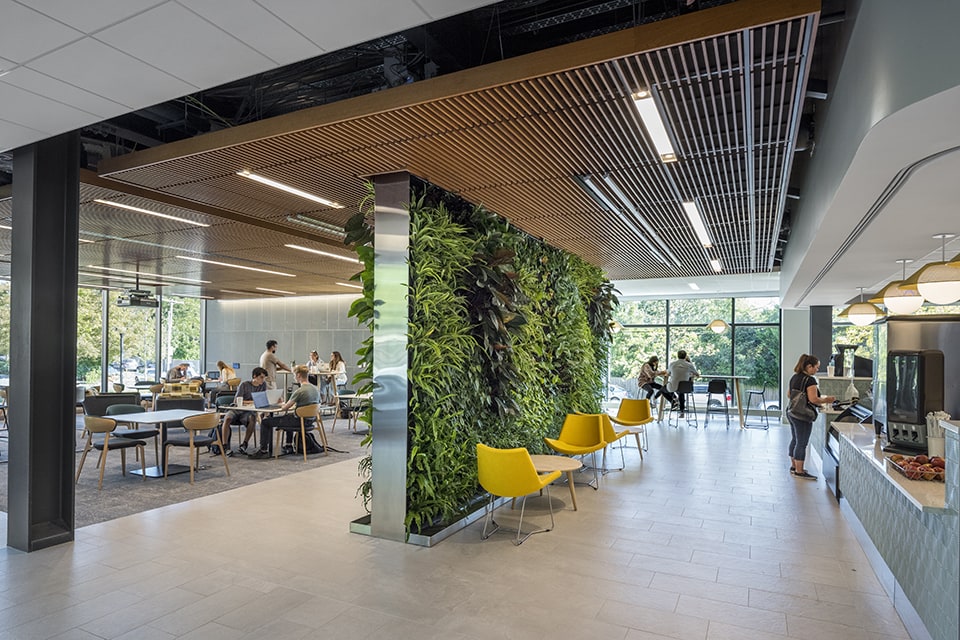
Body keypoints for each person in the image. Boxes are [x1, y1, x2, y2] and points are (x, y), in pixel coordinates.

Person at [250, 365, 320, 458]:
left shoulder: (299, 391)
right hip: (310, 420)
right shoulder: (315, 389)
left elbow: (285, 408)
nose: (294, 377)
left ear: (298, 375)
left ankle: (263, 450)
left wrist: (279, 404)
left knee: (265, 422)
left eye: (295, 375)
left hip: (299, 421)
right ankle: (288, 445)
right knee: (289, 417)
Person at [787, 354, 835, 480]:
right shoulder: (810, 380)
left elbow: (789, 395)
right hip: (802, 415)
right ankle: (799, 471)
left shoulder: (794, 377)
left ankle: (794, 466)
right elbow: (813, 399)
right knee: (802, 443)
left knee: (795, 440)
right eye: (816, 367)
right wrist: (827, 400)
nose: (817, 370)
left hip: (792, 412)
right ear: (809, 366)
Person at [224, 367, 269, 456]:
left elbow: (263, 398)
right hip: (237, 409)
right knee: (228, 418)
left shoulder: (263, 386)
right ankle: (225, 445)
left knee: (253, 418)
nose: (263, 380)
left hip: (249, 411)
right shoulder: (244, 385)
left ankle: (244, 444)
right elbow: (237, 400)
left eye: (264, 378)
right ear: (254, 376)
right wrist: (253, 401)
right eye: (261, 377)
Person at [666, 350, 699, 416]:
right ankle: (681, 410)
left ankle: (674, 400)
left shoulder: (672, 364)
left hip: (673, 386)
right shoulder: (689, 365)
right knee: (681, 392)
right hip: (685, 387)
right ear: (685, 356)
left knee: (662, 390)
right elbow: (697, 374)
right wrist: (690, 375)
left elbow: (667, 373)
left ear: (677, 355)